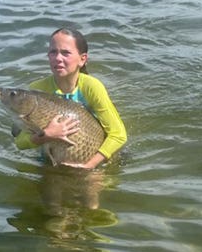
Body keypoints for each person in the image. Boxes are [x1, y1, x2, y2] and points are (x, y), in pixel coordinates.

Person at [13, 27, 127, 169]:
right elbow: (20, 142)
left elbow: (118, 135)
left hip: (94, 160)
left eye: (65, 53)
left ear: (82, 59)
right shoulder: (37, 90)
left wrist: (89, 166)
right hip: (48, 159)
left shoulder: (92, 87)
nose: (58, 58)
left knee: (92, 188)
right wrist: (46, 136)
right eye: (53, 52)